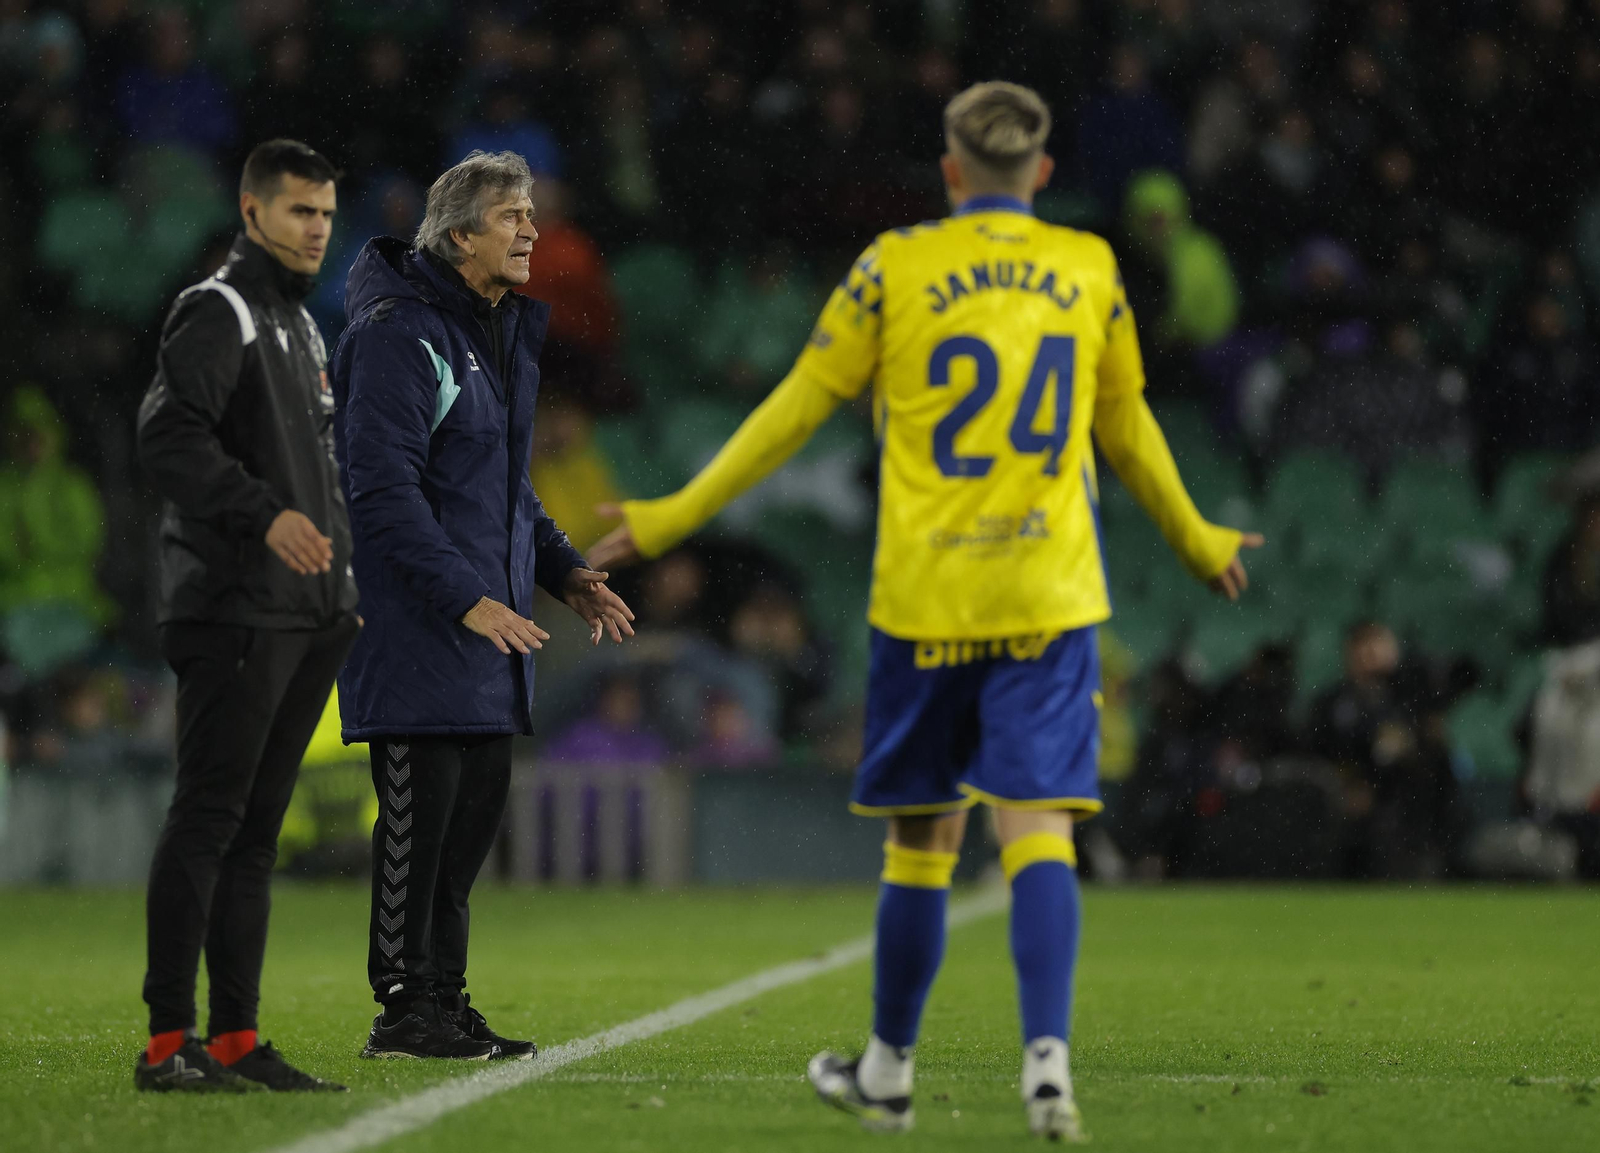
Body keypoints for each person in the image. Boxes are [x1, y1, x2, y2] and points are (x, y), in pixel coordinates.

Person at [590, 82, 1260, 1140]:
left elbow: (793, 411)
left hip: (927, 595)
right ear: (1041, 174)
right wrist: (1196, 537)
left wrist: (674, 512)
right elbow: (1126, 425)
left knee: (923, 845)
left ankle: (890, 1070)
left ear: (950, 172)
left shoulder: (894, 266)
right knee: (1037, 830)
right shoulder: (1088, 268)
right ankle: (1047, 1069)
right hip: (1046, 591)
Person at [331, 151, 635, 1062]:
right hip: (425, 627)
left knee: (463, 839)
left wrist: (567, 571)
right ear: (459, 234)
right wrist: (467, 597)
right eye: (511, 216)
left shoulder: (477, 331)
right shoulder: (398, 333)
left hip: (487, 632)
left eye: (531, 214)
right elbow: (379, 490)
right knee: (416, 836)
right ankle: (402, 1009)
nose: (531, 231)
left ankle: (445, 1000)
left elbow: (502, 489)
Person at [134, 139, 358, 1093]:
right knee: (210, 817)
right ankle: (166, 1041)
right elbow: (167, 436)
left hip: (307, 613)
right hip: (234, 609)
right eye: (300, 210)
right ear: (252, 209)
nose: (316, 229)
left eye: (326, 213)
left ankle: (233, 1037)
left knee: (255, 832)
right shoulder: (219, 310)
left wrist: (343, 580)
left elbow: (321, 471)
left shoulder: (301, 329)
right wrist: (263, 516)